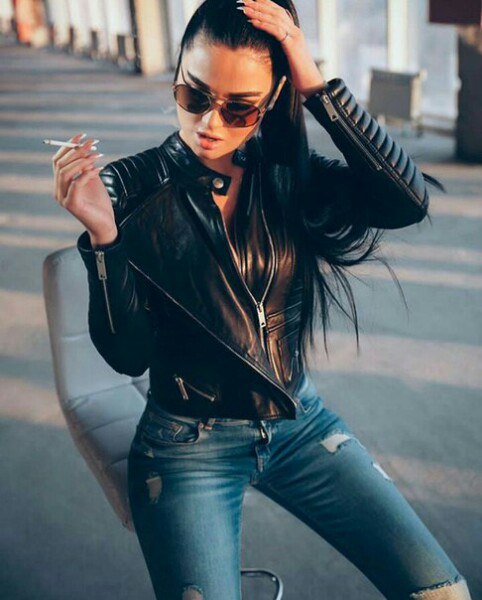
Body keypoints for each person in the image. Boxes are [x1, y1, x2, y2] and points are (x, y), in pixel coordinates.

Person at [51, 1, 472, 598]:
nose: (210, 123)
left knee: (443, 592)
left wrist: (317, 85)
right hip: (186, 445)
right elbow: (127, 355)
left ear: (272, 99)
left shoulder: (285, 172)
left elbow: (404, 203)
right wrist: (104, 239)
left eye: (239, 108)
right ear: (178, 72)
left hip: (301, 423)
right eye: (194, 95)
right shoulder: (127, 189)